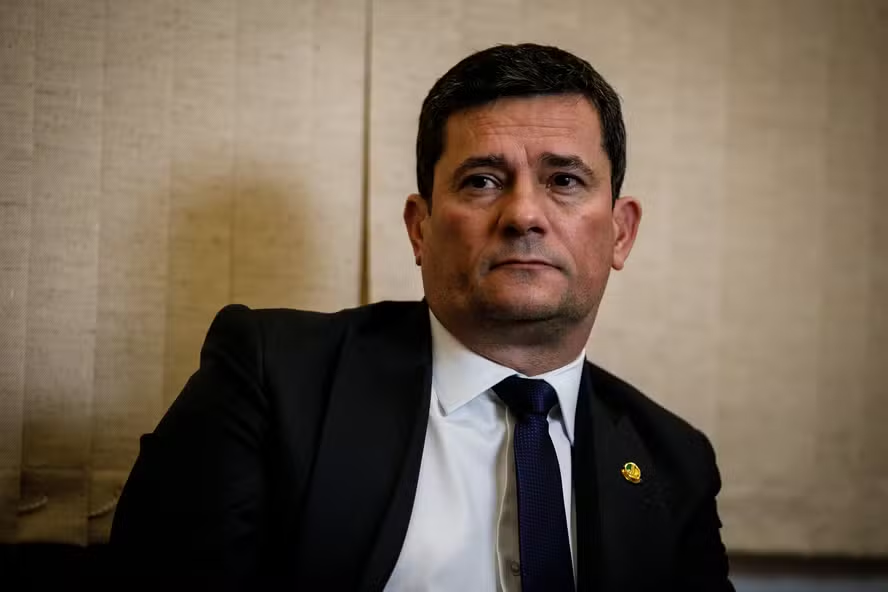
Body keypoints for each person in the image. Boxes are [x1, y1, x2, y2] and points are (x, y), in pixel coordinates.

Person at [111, 43, 734, 591]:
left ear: (621, 233)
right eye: (483, 181)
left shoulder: (674, 461)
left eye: (564, 180)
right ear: (420, 228)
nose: (523, 214)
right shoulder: (271, 377)